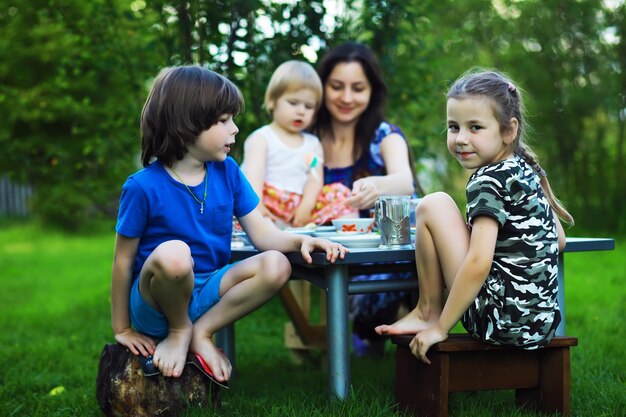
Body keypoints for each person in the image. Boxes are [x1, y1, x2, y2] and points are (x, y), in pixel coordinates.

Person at [111, 65, 348, 383]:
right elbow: (123, 262)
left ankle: (201, 332)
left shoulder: (228, 171)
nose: (235, 129)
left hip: (210, 290)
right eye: (223, 121)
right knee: (175, 254)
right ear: (187, 124)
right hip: (156, 303)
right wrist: (122, 328)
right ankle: (180, 329)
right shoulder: (142, 187)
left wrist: (301, 241)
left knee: (277, 265)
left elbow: (263, 235)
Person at [375, 69, 575, 363]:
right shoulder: (524, 169)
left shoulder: (488, 180)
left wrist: (442, 328)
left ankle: (429, 313)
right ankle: (426, 311)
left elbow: (480, 262)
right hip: (539, 325)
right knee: (442, 210)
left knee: (433, 204)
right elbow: (558, 240)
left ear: (509, 131)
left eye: (475, 127)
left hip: (497, 321)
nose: (461, 139)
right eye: (453, 127)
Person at [312, 41, 420, 356]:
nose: (346, 98)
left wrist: (378, 184)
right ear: (322, 88)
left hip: (383, 256)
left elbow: (405, 182)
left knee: (406, 264)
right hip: (321, 253)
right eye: (336, 86)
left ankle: (370, 330)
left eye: (358, 88)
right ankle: (369, 330)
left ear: (372, 90)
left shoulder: (384, 136)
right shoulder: (307, 139)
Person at [241, 60, 354, 228]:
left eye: (308, 106)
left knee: (342, 196)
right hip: (267, 204)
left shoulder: (312, 144)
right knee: (247, 213)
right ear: (272, 101)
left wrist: (306, 206)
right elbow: (252, 178)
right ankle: (269, 236)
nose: (301, 111)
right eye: (293, 103)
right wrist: (258, 207)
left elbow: (314, 177)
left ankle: (350, 237)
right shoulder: (262, 138)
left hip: (301, 207)